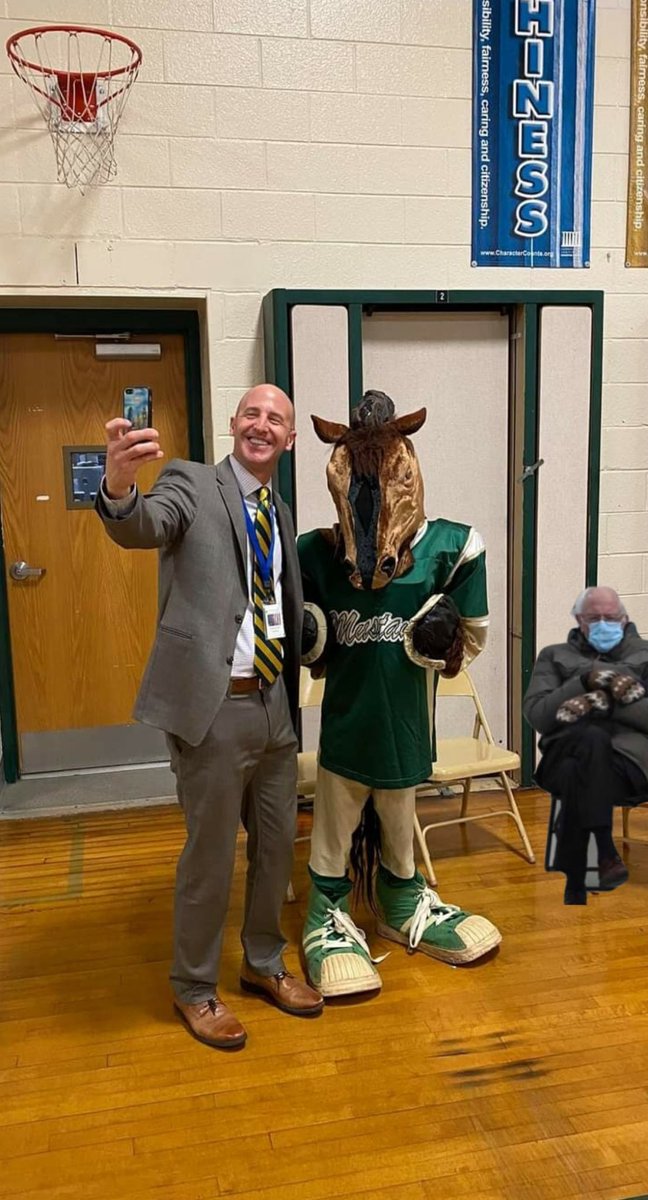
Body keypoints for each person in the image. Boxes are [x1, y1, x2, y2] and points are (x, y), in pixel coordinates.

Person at [96, 383, 323, 1050]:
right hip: (214, 708)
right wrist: (117, 483)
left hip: (275, 705)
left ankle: (262, 963)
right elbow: (142, 525)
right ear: (233, 424)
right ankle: (194, 987)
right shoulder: (190, 484)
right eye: (252, 413)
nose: (262, 424)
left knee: (278, 849)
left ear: (289, 439)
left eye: (276, 418)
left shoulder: (279, 510)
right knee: (211, 856)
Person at [298, 390, 501, 998]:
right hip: (346, 722)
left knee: (399, 808)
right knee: (336, 815)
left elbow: (471, 637)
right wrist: (312, 632)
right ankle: (326, 910)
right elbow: (308, 640)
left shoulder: (450, 548)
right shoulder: (318, 553)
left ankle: (402, 898)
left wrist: (445, 635)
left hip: (409, 723)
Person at [524, 585, 648, 905]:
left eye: (611, 617)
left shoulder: (644, 656)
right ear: (580, 620)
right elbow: (538, 716)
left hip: (628, 765)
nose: (604, 623)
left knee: (576, 766)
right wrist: (581, 682)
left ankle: (579, 877)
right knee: (588, 740)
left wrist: (600, 697)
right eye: (595, 617)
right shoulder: (554, 656)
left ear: (624, 619)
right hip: (565, 751)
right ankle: (603, 851)